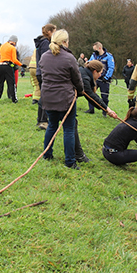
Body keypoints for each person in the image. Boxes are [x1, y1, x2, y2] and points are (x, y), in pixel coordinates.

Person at [39, 29, 83, 169]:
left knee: (52, 125)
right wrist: (80, 91)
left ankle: (47, 154)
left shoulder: (44, 57)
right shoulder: (70, 58)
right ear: (64, 42)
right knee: (68, 129)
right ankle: (70, 161)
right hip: (65, 99)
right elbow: (77, 79)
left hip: (48, 97)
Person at [34, 24, 56, 128]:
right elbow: (45, 59)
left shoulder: (41, 42)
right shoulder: (45, 43)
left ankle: (41, 120)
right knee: (45, 97)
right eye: (54, 31)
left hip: (40, 72)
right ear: (50, 32)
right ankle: (43, 121)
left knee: (44, 96)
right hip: (44, 72)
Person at [87, 42, 115, 116]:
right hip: (95, 78)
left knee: (104, 96)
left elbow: (111, 68)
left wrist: (106, 77)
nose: (94, 51)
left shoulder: (108, 56)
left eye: (95, 49)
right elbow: (89, 63)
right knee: (91, 93)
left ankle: (105, 111)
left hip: (104, 79)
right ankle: (91, 109)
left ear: (99, 48)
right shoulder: (94, 55)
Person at [0, 35, 24, 103]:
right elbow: (14, 60)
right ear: (14, 42)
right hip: (8, 66)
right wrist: (21, 64)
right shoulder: (12, 48)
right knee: (11, 83)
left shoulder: (2, 46)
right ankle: (14, 99)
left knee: (0, 83)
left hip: (0, 66)